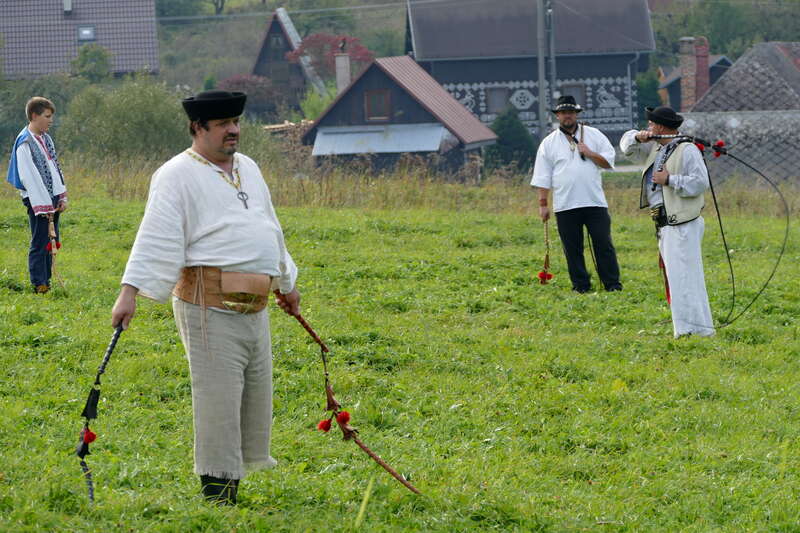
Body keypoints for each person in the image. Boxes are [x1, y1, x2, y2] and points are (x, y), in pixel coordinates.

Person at [110, 90, 301, 505]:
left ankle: (235, 479)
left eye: (236, 122)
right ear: (198, 128)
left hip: (256, 308)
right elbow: (155, 236)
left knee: (254, 396)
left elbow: (270, 227)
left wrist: (286, 283)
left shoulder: (248, 167)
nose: (234, 130)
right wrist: (129, 293)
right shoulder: (175, 174)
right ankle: (217, 493)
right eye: (223, 124)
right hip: (207, 305)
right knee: (218, 396)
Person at [619, 106, 715, 338]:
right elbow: (626, 147)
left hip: (682, 223)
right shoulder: (655, 148)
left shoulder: (687, 149)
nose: (649, 127)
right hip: (665, 223)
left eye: (651, 124)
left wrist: (670, 180)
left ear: (661, 127)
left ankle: (689, 330)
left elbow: (700, 182)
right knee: (676, 276)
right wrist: (637, 137)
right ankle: (694, 328)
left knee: (684, 277)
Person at [531, 95, 622, 293]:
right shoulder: (548, 143)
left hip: (594, 202)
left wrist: (590, 153)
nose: (567, 116)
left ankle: (612, 284)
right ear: (557, 115)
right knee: (572, 248)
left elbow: (609, 162)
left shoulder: (594, 135)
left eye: (571, 112)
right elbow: (543, 176)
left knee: (603, 243)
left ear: (576, 114)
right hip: (565, 204)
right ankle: (581, 285)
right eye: (563, 113)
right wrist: (543, 204)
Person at [6, 97, 68, 293]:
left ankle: (46, 280)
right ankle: (39, 283)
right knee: (40, 240)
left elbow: (54, 168)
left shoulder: (46, 139)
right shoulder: (25, 142)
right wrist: (43, 205)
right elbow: (29, 177)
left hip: (51, 197)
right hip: (37, 200)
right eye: (47, 116)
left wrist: (61, 196)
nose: (51, 121)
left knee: (51, 240)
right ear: (34, 116)